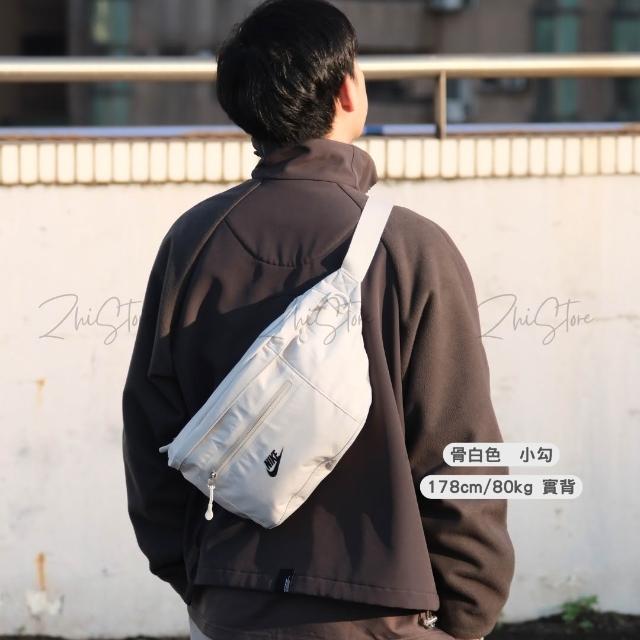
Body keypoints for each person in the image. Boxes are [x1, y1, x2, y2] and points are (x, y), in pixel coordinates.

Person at [121, 1, 515, 639]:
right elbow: (459, 452)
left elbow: (151, 436)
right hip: (388, 616)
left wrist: (201, 580)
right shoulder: (411, 248)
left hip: (231, 611)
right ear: (347, 91)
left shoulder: (193, 241)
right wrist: (465, 615)